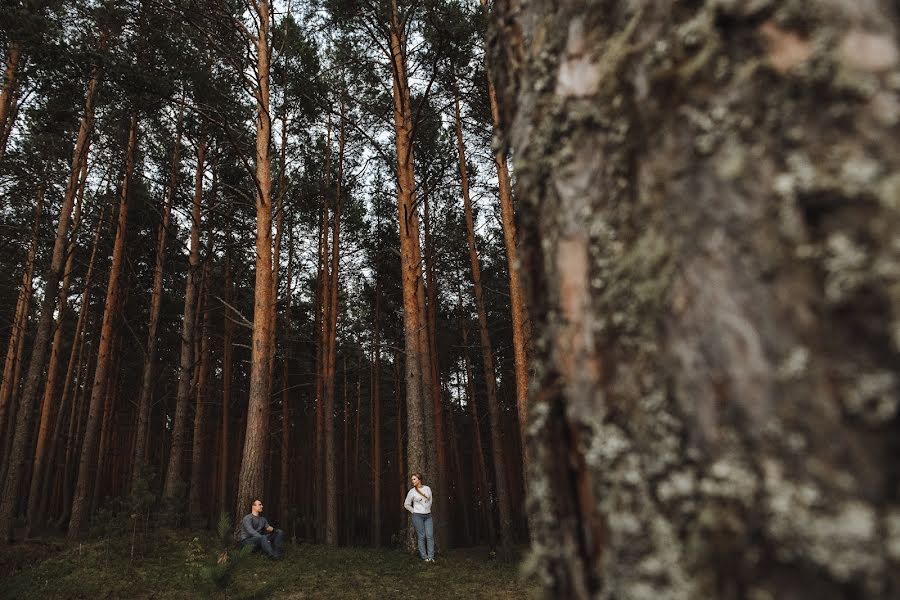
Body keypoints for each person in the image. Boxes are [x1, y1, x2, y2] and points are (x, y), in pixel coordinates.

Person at [404, 473, 435, 562]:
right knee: (422, 536)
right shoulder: (412, 491)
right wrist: (414, 511)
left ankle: (431, 557)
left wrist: (427, 509)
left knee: (430, 536)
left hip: (428, 515)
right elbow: (406, 504)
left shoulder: (427, 489)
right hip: (417, 516)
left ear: (419, 479)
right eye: (412, 479)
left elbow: (430, 500)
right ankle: (424, 557)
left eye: (414, 479)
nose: (412, 481)